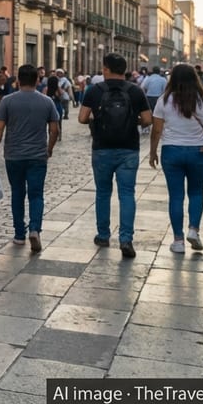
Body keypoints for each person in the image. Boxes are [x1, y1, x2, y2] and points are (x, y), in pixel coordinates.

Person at [79, 52, 152, 260]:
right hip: (129, 148)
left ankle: (103, 235)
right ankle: (126, 239)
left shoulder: (95, 90)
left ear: (106, 69)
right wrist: (132, 121)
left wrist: (99, 117)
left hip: (102, 147)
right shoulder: (135, 91)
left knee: (103, 192)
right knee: (127, 193)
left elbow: (82, 118)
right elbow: (147, 119)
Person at [148, 64, 203, 255]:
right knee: (197, 193)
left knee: (176, 196)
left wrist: (152, 152)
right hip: (198, 151)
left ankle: (178, 240)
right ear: (195, 78)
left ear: (172, 79)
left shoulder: (164, 100)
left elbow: (156, 130)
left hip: (171, 151)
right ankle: (194, 230)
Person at [0, 64, 60, 252]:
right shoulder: (47, 102)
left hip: (14, 156)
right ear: (38, 80)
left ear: (18, 80)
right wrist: (49, 149)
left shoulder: (7, 101)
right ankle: (35, 229)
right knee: (36, 194)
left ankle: (19, 234)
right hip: (37, 156)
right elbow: (54, 130)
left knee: (18, 194)